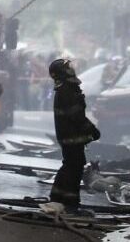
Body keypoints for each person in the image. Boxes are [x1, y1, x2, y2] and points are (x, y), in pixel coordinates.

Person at [49, 58, 101, 212]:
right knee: (74, 166)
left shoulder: (68, 88)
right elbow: (76, 116)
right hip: (71, 136)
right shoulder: (67, 90)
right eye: (67, 68)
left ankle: (61, 197)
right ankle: (69, 200)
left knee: (72, 165)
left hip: (71, 136)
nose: (71, 69)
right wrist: (91, 129)